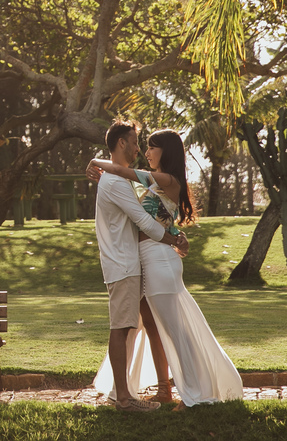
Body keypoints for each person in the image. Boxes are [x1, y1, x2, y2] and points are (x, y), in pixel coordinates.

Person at [88, 128, 243, 407]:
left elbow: (124, 173)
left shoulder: (167, 179)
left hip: (159, 259)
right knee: (155, 326)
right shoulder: (149, 183)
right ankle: (164, 389)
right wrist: (176, 236)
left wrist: (95, 162)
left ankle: (195, 393)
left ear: (166, 152)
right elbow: (156, 214)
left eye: (152, 147)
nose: (145, 152)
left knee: (175, 332)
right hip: (146, 260)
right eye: (143, 146)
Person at [91, 120, 189, 411]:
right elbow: (144, 221)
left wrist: (174, 236)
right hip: (125, 263)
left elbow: (156, 213)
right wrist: (173, 239)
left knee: (142, 326)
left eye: (146, 145)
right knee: (124, 327)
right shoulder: (115, 181)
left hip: (138, 261)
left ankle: (141, 392)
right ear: (121, 143)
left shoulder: (127, 180)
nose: (139, 149)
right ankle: (125, 397)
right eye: (135, 142)